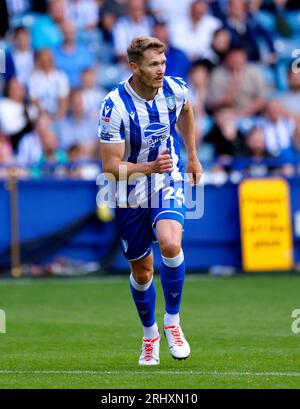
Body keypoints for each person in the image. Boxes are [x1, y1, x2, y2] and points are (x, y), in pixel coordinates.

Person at [99, 36, 203, 365]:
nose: (161, 70)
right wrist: (147, 166)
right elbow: (110, 167)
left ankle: (172, 322)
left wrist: (193, 157)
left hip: (166, 179)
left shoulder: (175, 89)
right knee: (143, 273)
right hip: (128, 190)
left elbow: (186, 111)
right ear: (134, 67)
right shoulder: (114, 105)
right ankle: (150, 335)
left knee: (171, 244)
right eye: (153, 65)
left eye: (163, 63)